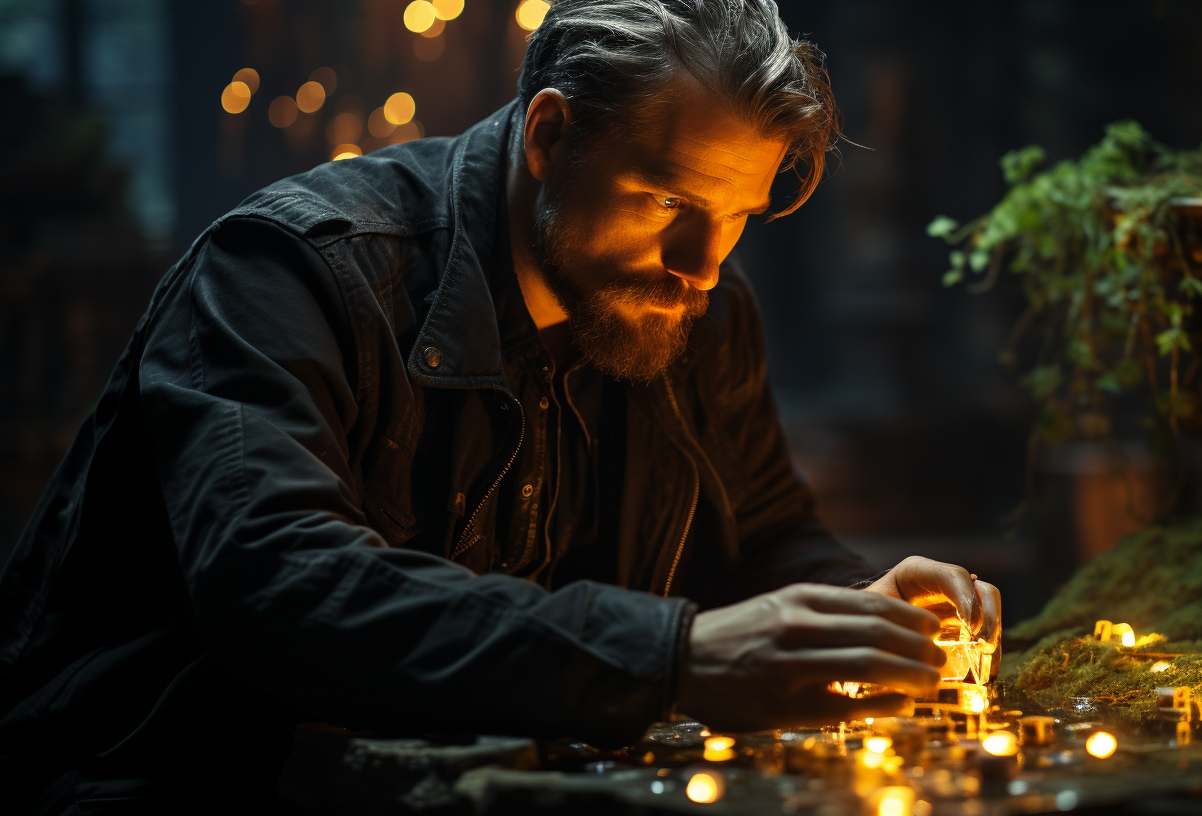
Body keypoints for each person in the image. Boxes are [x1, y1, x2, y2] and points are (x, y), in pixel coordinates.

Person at [0, 1, 1000, 812]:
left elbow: (764, 533)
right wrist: (670, 657)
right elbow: (281, 590)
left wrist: (854, 613)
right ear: (549, 134)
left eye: (738, 216)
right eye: (668, 203)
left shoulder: (696, 303)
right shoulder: (288, 272)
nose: (705, 265)